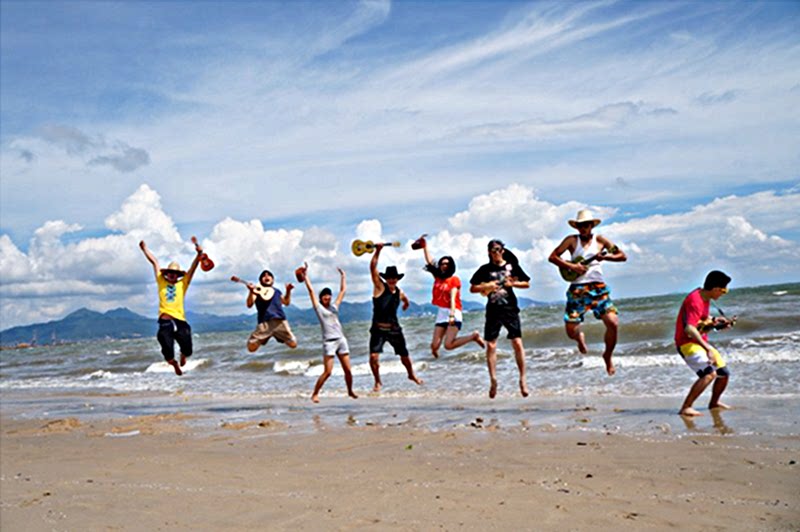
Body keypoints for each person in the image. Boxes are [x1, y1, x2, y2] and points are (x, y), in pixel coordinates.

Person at [548, 209, 627, 376]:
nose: (583, 228)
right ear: (576, 227)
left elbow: (622, 256)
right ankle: (579, 338)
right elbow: (553, 257)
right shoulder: (571, 240)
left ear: (592, 226)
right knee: (571, 330)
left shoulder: (600, 240)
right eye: (580, 226)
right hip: (577, 289)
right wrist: (572, 266)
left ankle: (608, 355)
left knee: (613, 322)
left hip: (598, 288)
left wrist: (605, 258)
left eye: (586, 225)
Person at [469, 239, 531, 399]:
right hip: (493, 310)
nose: (497, 252)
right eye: (493, 250)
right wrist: (486, 286)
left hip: (510, 309)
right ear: (489, 252)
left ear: (503, 250)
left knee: (517, 343)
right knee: (490, 345)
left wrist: (513, 284)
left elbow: (527, 283)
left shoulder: (512, 266)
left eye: (499, 249)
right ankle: (493, 380)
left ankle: (523, 379)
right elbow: (472, 288)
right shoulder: (485, 269)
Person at [139, 239, 204, 376]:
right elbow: (155, 262)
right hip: (165, 322)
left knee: (188, 349)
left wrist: (199, 254)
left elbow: (193, 268)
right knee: (167, 351)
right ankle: (174, 364)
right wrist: (144, 249)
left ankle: (183, 355)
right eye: (170, 272)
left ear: (178, 275)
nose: (172, 275)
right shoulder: (161, 281)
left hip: (180, 321)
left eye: (175, 273)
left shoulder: (183, 283)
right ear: (166, 273)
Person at [675, 270, 735, 417]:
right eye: (723, 290)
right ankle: (686, 407)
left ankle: (714, 403)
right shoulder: (694, 300)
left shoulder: (705, 297)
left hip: (698, 342)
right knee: (709, 374)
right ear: (715, 288)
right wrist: (707, 348)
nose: (723, 293)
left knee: (723, 373)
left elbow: (700, 318)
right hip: (687, 343)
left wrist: (715, 321)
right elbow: (689, 328)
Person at [415, 235, 484, 358]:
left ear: (450, 266)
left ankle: (473, 336)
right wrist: (424, 247)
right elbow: (430, 262)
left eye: (446, 264)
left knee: (448, 345)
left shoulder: (454, 280)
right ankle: (437, 363)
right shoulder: (438, 278)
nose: (444, 265)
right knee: (434, 345)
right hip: (442, 313)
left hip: (454, 311)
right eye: (442, 263)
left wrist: (451, 315)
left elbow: (452, 299)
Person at [298, 263, 357, 402]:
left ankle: (350, 391)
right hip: (329, 343)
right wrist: (305, 276)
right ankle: (315, 394)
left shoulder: (334, 307)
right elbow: (311, 291)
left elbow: (343, 291)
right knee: (328, 372)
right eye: (324, 295)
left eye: (329, 295)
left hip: (341, 340)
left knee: (348, 370)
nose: (327, 297)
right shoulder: (319, 309)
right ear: (321, 298)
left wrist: (343, 276)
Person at [368, 243, 422, 391]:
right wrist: (377, 251)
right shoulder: (380, 287)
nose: (392, 280)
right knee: (373, 357)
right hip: (378, 329)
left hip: (394, 329)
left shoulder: (399, 292)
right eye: (389, 278)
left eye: (394, 278)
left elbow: (405, 298)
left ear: (397, 279)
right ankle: (377, 381)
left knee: (404, 355)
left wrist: (406, 304)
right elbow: (372, 268)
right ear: (386, 278)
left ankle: (411, 375)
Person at [243, 270, 297, 352]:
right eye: (264, 276)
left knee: (293, 344)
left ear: (273, 280)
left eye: (269, 275)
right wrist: (251, 291)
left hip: (280, 321)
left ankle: (277, 336)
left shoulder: (277, 291)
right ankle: (266, 337)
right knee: (251, 347)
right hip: (264, 323)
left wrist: (288, 290)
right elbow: (249, 304)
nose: (266, 276)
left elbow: (286, 302)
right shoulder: (256, 292)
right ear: (260, 281)